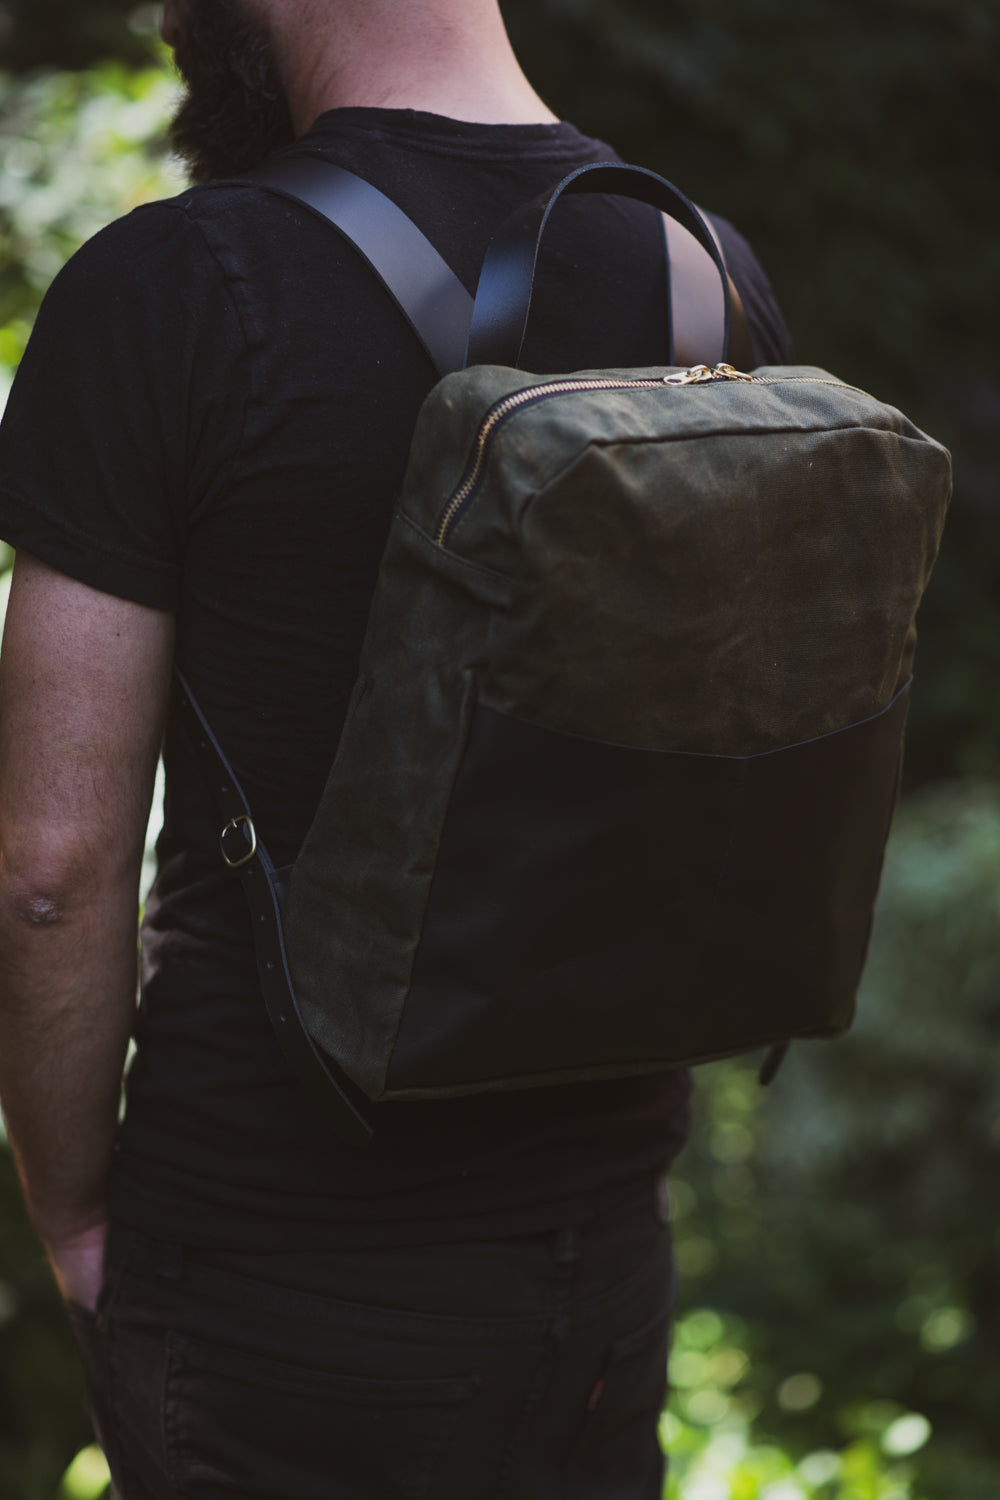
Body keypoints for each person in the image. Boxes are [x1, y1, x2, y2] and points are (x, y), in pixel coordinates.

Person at [0, 1, 790, 1494]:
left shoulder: (175, 284)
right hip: (603, 1267)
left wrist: (72, 1214)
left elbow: (51, 869)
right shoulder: (706, 274)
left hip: (273, 1282)